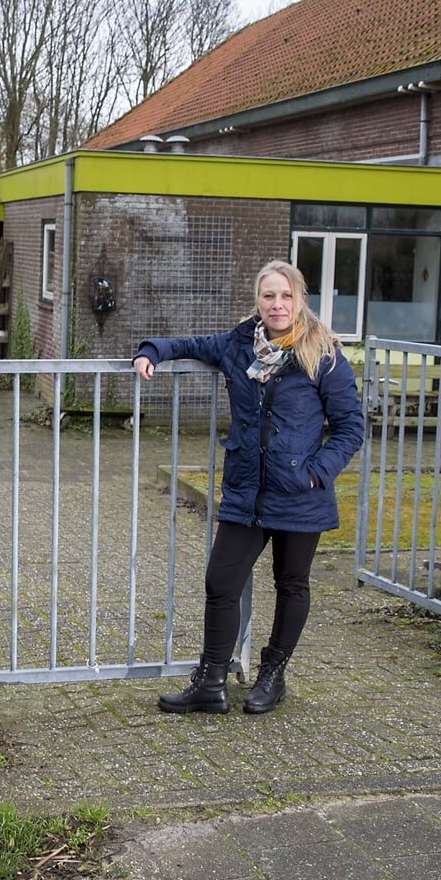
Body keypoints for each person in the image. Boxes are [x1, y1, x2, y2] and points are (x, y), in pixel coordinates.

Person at [132, 259, 366, 715]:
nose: (277, 304)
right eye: (268, 296)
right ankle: (211, 683)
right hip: (245, 490)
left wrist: (316, 471)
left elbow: (350, 426)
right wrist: (151, 352)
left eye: (286, 296)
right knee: (221, 582)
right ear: (257, 301)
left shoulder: (324, 353)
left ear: (300, 299)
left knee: (291, 583)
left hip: (301, 491)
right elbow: (187, 342)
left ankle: (272, 677)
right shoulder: (240, 344)